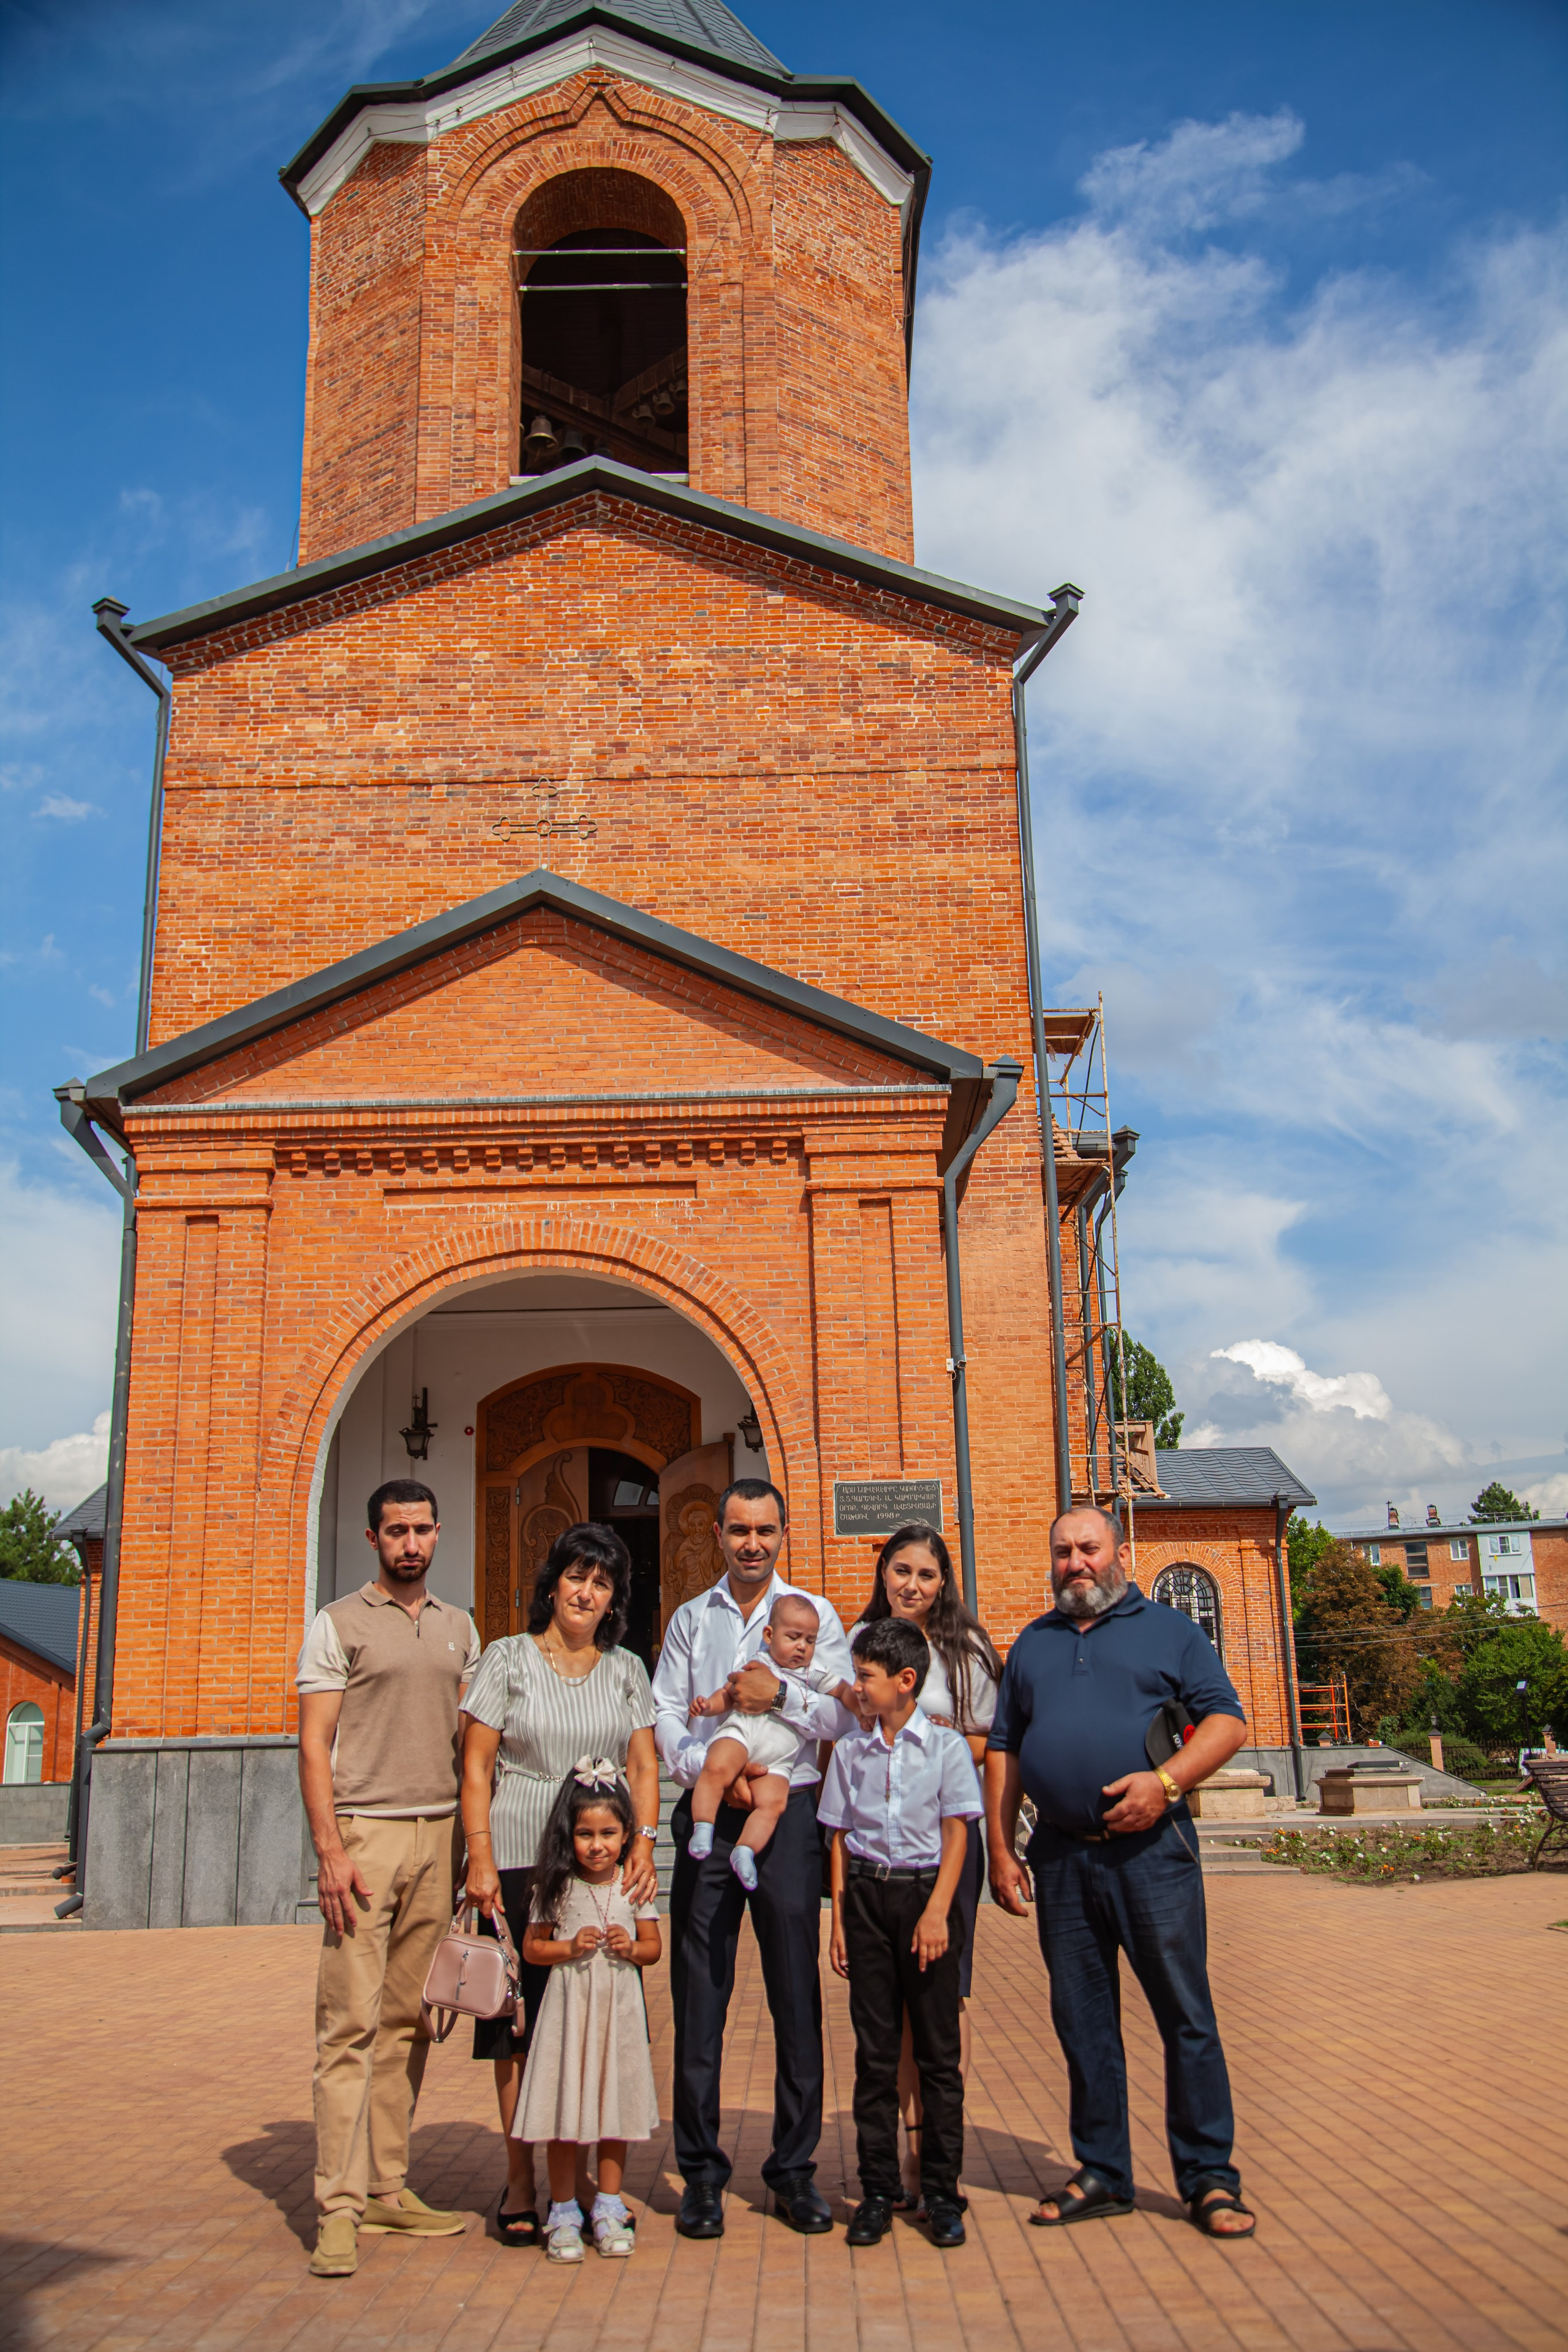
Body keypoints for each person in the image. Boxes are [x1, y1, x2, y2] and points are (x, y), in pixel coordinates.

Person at [986, 1506, 1258, 2240]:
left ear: (1121, 1554)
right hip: (1061, 1856)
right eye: (1063, 1552)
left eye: (1089, 1549)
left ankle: (1208, 2178)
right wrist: (1001, 1847)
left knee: (1184, 2014)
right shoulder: (1034, 1644)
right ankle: (1103, 2170)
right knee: (1082, 2021)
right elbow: (1005, 1747)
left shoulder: (1170, 1632)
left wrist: (1164, 1785)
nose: (1075, 1563)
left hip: (1153, 1855)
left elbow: (1227, 1722)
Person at [650, 1477, 854, 2238]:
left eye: (765, 1531)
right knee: (699, 1993)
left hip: (788, 1816)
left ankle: (792, 2170)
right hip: (711, 1811)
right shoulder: (690, 1618)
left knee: (794, 1994)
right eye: (739, 1530)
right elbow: (666, 1710)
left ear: (783, 1534)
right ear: (717, 1534)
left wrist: (781, 1700)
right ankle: (701, 2174)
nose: (752, 1544)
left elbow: (840, 1714)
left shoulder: (813, 1615)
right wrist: (703, 1771)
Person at [296, 1479, 480, 2279]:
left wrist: (474, 1848)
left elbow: (473, 1744)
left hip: (439, 1837)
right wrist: (330, 1850)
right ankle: (337, 2207)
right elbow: (314, 1743)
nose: (411, 1543)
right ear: (373, 1538)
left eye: (422, 1529)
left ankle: (386, 2186)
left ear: (438, 1534)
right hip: (365, 1837)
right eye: (396, 1531)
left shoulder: (459, 1627)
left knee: (410, 2020)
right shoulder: (337, 1624)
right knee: (349, 2026)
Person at [459, 1523, 660, 2248]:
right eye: (577, 1577)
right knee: (518, 2028)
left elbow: (643, 1765)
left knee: (593, 2020)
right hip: (519, 1855)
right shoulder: (507, 1659)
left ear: (613, 1599)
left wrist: (644, 1843)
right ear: (552, 1585)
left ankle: (594, 2190)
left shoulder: (625, 1669)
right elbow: (476, 1764)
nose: (586, 1593)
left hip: (597, 1867)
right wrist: (480, 1858)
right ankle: (523, 2181)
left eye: (601, 1583)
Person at [848, 1522, 1001, 2207]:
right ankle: (906, 2149)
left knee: (943, 1998)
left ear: (944, 1583)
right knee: (890, 2011)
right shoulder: (859, 1641)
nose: (912, 1585)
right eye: (901, 1570)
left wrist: (938, 1743)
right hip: (879, 1849)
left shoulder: (964, 1648)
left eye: (927, 1574)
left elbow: (991, 1738)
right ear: (883, 1571)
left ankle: (938, 2152)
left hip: (944, 1844)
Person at [821, 1618, 982, 2250]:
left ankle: (940, 2191)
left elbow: (956, 1831)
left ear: (905, 1680)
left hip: (925, 1899)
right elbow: (839, 1838)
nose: (857, 1688)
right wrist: (839, 1921)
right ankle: (877, 2191)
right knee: (875, 2055)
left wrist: (938, 1910)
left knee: (938, 2056)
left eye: (865, 1677)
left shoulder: (944, 1748)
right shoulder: (851, 1752)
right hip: (867, 1899)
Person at [514, 1761, 662, 2263]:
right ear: (568, 1835)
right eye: (585, 1834)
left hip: (618, 2010)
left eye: (608, 1834)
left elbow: (653, 1947)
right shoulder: (554, 1885)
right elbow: (533, 1948)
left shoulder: (634, 1884)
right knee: (565, 2109)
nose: (597, 1845)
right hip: (569, 2011)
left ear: (626, 1834)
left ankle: (608, 2206)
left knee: (613, 2108)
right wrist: (568, 1947)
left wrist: (632, 1948)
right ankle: (562, 2213)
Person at [687, 1591, 856, 1888]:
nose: (802, 1647)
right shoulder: (759, 1661)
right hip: (742, 1733)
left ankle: (745, 1851)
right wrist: (708, 1707)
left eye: (810, 1640)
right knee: (717, 1767)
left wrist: (862, 1709)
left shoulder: (813, 1673)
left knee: (773, 1804)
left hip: (780, 1757)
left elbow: (843, 1691)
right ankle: (703, 1825)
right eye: (793, 1637)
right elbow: (730, 1692)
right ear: (769, 1635)